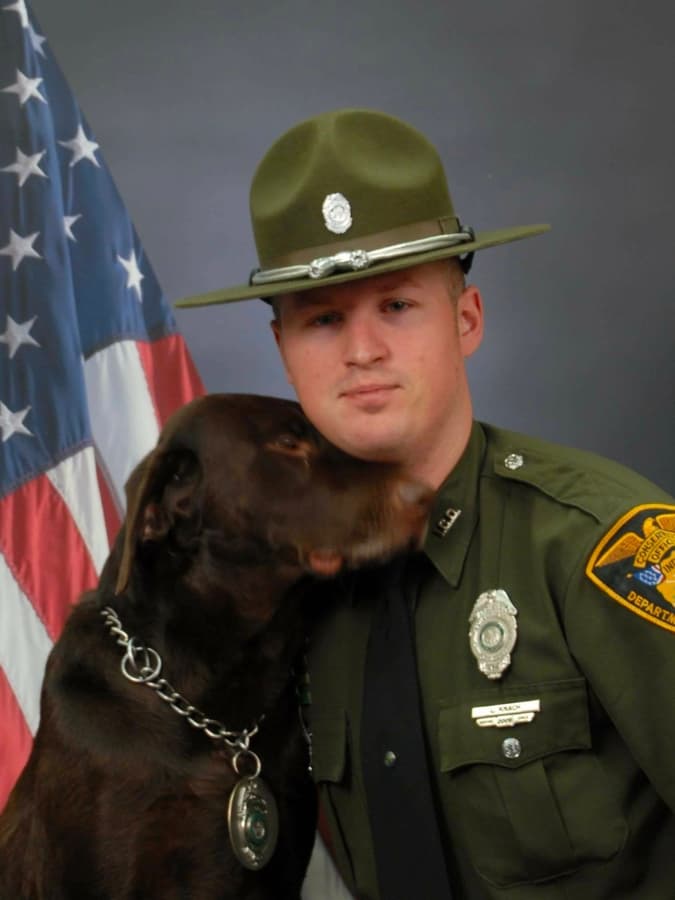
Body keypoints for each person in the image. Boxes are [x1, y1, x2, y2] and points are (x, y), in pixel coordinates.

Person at [178, 109, 675, 899]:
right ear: (282, 351)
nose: (362, 349)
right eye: (324, 319)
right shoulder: (286, 591)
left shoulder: (598, 544)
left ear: (466, 320)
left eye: (397, 306)